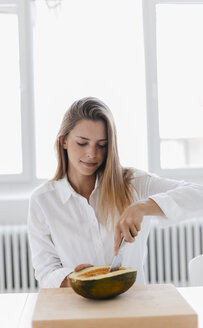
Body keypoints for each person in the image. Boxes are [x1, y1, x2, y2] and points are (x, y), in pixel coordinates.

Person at [28, 96, 203, 288]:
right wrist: (71, 278)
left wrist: (142, 206)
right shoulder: (42, 200)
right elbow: (45, 270)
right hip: (77, 305)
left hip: (132, 305)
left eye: (101, 145)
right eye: (82, 143)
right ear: (64, 142)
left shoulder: (134, 183)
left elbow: (198, 194)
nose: (92, 153)